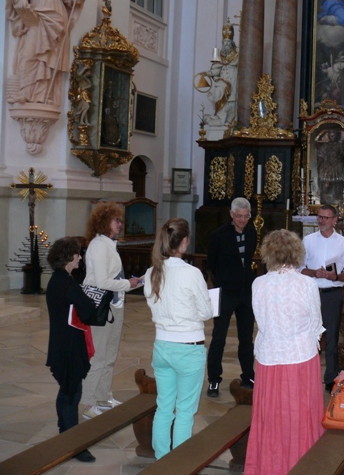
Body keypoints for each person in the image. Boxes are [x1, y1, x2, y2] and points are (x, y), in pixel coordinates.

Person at [245, 230, 325, 474]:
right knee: (299, 416)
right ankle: (302, 465)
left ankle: (268, 466)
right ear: (296, 252)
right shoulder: (307, 283)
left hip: (269, 357)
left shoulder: (258, 283)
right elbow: (316, 324)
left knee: (270, 418)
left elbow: (259, 319)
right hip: (300, 358)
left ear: (268, 253)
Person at [143, 218, 213, 459]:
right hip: (187, 348)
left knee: (164, 407)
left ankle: (162, 461)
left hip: (162, 346)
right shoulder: (192, 273)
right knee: (184, 411)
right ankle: (180, 466)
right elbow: (205, 312)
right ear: (184, 242)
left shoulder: (151, 272)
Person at [6, 0, 90, 106]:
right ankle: (25, 92)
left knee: (48, 61)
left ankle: (43, 96)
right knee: (28, 56)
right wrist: (22, 1)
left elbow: (74, 0)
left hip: (56, 25)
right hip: (36, 20)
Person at [81, 202, 139, 420]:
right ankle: (88, 403)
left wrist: (134, 283)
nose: (120, 225)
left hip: (114, 305)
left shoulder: (110, 244)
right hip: (101, 308)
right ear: (104, 222)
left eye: (121, 221)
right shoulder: (98, 245)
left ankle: (103, 398)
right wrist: (128, 284)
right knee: (98, 356)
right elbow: (104, 281)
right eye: (117, 220)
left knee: (110, 355)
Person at [45, 237, 98, 463]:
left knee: (66, 389)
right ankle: (73, 445)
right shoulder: (68, 283)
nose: (80, 257)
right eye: (77, 254)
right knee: (72, 393)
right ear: (68, 257)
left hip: (59, 343)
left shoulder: (57, 280)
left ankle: (63, 432)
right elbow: (88, 312)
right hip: (69, 346)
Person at [301, 204, 344, 391]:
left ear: (334, 220)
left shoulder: (343, 243)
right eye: (319, 217)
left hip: (332, 294)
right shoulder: (308, 240)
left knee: (331, 337)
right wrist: (314, 272)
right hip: (311, 293)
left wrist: (336, 277)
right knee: (308, 335)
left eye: (325, 218)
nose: (321, 221)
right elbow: (299, 267)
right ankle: (307, 375)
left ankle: (331, 378)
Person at [206, 197, 257, 396]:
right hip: (225, 292)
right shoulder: (218, 235)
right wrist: (221, 284)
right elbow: (212, 263)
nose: (243, 220)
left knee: (246, 337)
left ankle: (248, 375)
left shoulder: (251, 232)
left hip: (245, 292)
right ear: (231, 214)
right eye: (239, 217)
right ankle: (214, 379)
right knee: (219, 337)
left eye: (246, 217)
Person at [315, 128, 344, 205]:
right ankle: (324, 200)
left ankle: (338, 199)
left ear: (337, 136)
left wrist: (343, 147)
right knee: (326, 184)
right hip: (327, 167)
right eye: (331, 135)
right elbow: (320, 155)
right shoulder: (325, 145)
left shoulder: (340, 145)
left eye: (334, 135)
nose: (332, 137)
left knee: (338, 184)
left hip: (337, 166)